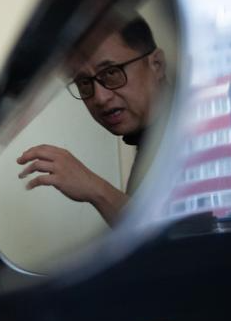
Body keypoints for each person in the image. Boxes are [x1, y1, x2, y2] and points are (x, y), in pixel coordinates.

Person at [16, 17, 168, 225]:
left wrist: (96, 189)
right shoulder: (152, 142)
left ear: (156, 64)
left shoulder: (198, 135)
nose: (100, 97)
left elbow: (180, 240)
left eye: (112, 73)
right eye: (84, 82)